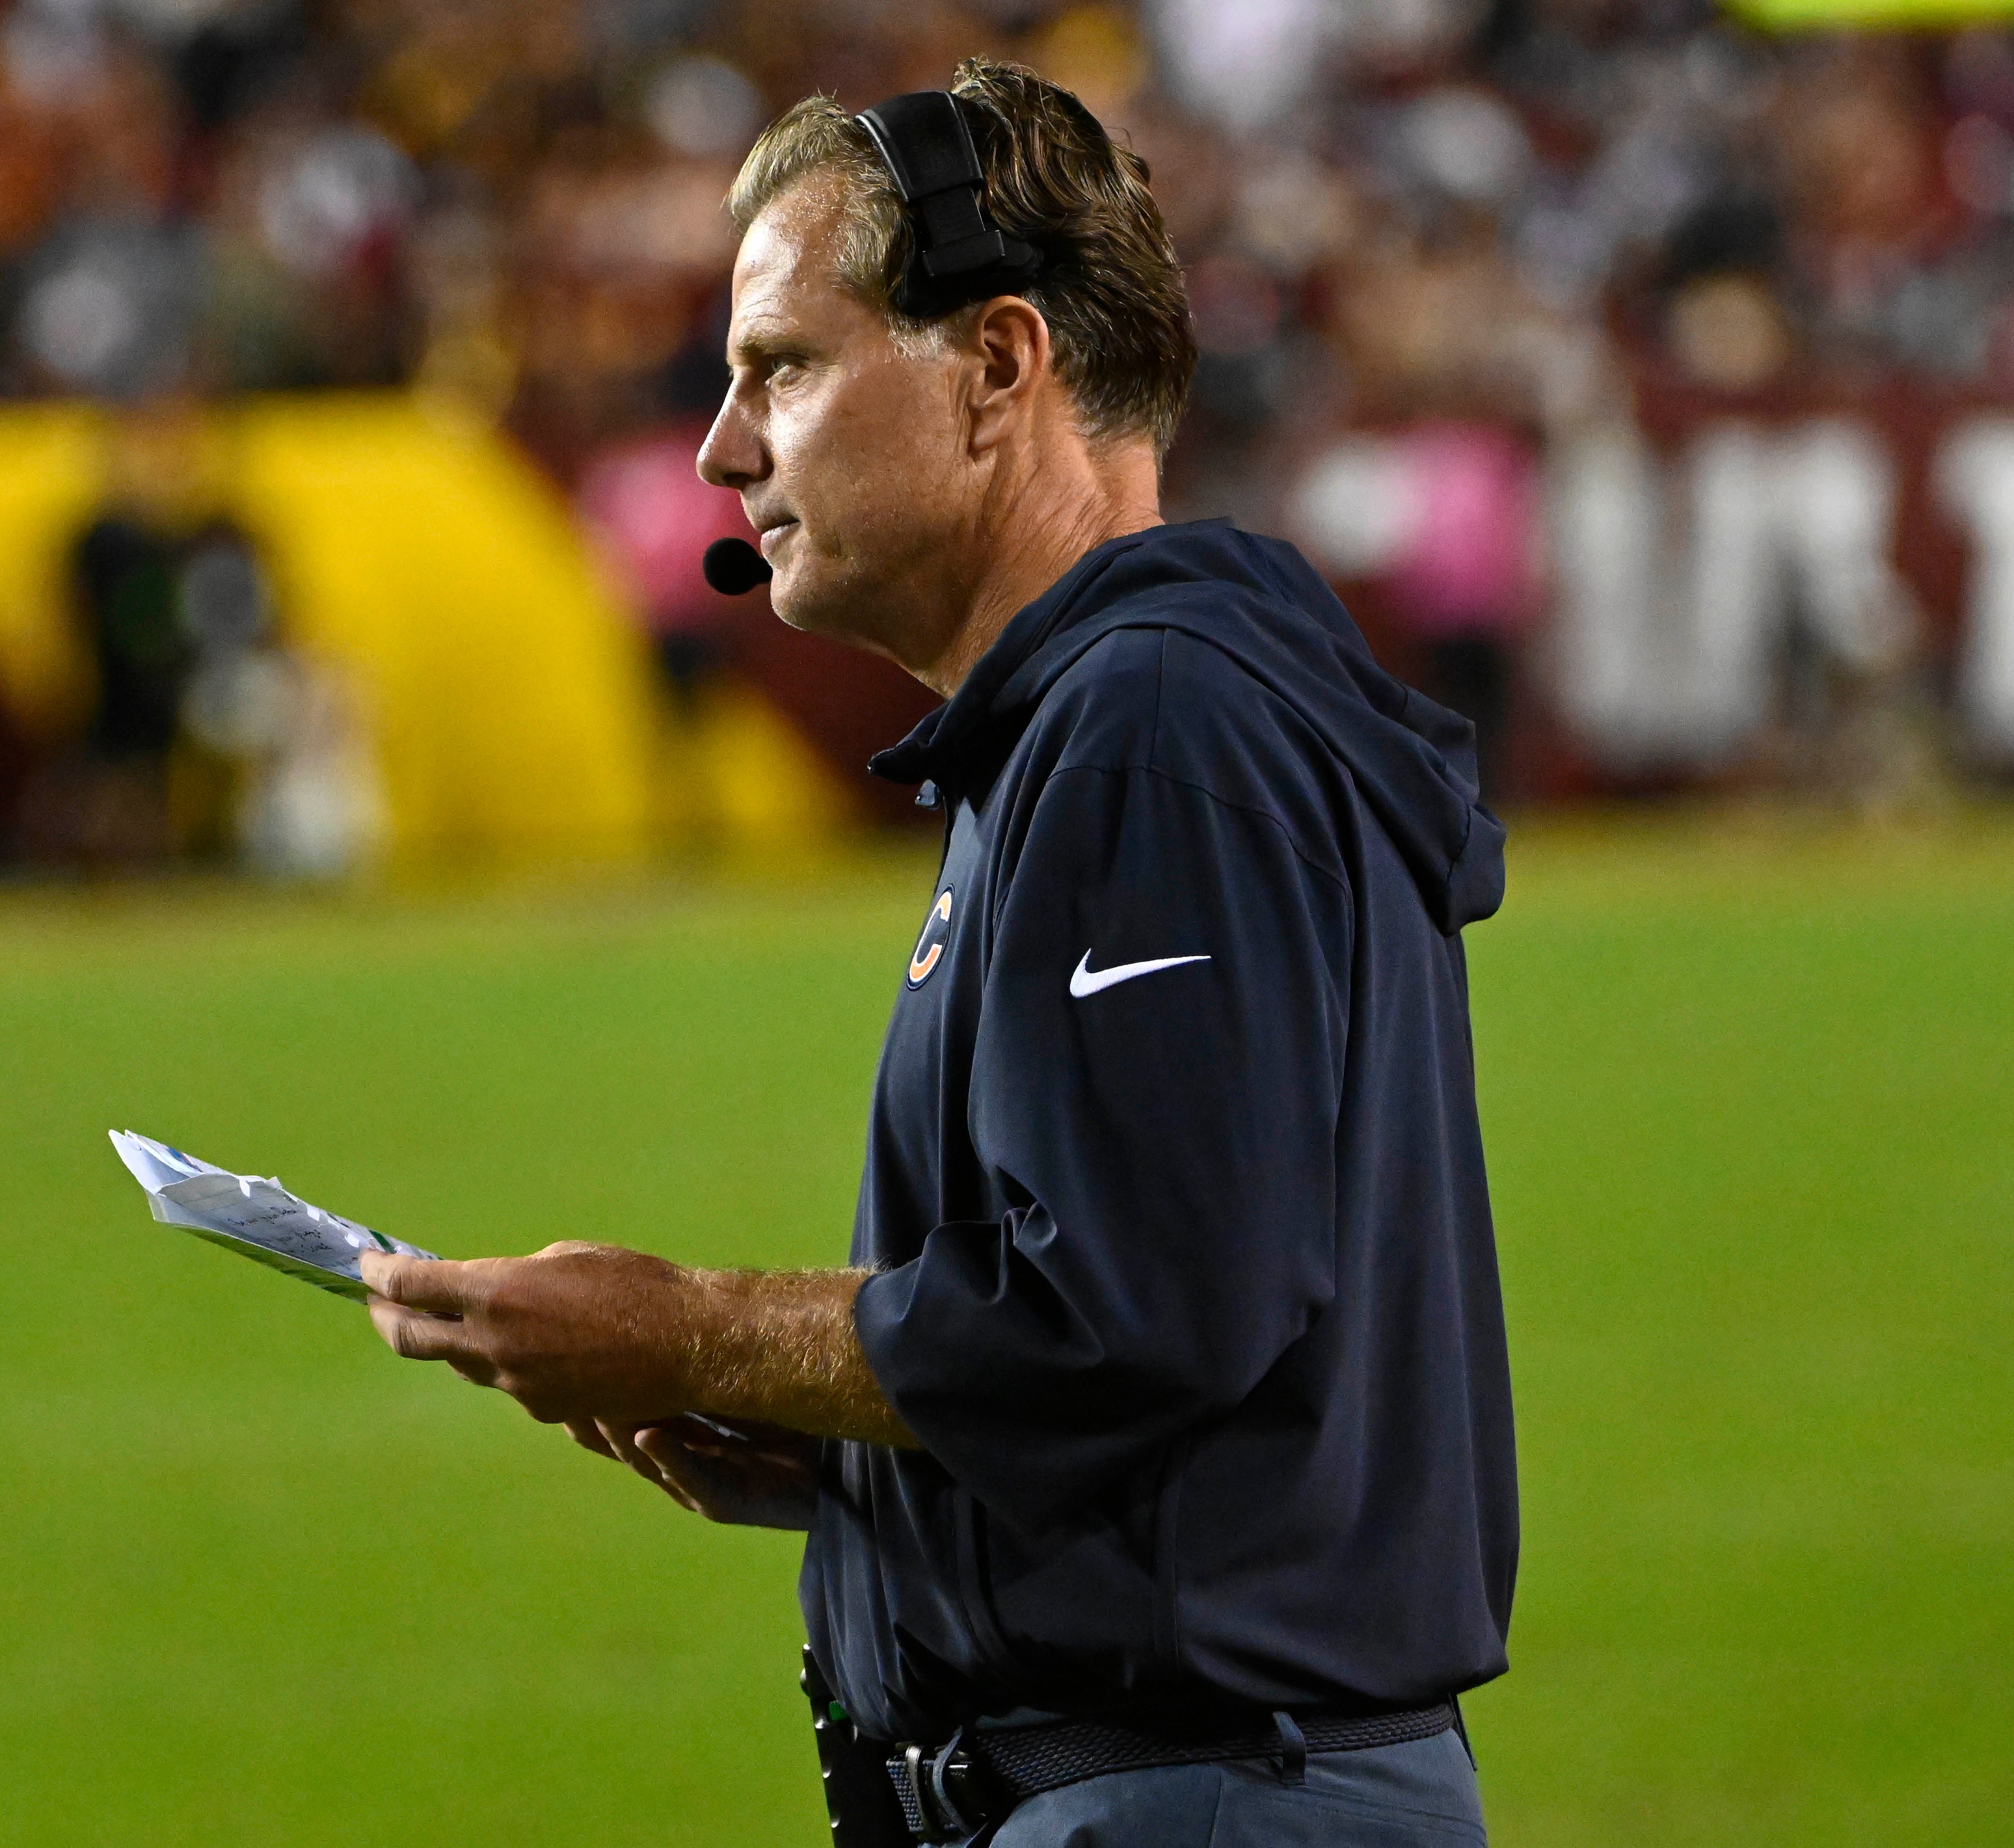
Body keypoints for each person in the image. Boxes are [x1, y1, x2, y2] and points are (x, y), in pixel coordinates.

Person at [360, 58, 1514, 1848]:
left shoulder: (1151, 722)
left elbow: (1133, 1313)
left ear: (995, 368)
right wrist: (830, 1433)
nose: (718, 448)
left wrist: (687, 1325)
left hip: (1193, 1801)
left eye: (783, 368)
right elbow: (1177, 1365)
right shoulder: (1112, 717)